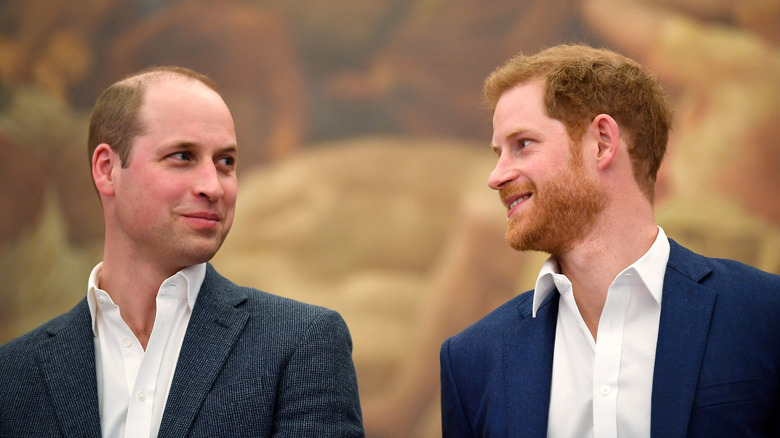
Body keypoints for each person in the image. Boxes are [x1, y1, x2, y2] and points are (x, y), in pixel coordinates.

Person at [0, 66, 364, 437]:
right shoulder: (14, 374)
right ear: (107, 169)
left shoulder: (302, 344)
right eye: (182, 157)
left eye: (226, 162)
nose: (214, 186)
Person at [440, 44, 780, 437]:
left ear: (602, 142)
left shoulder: (764, 315)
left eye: (523, 144)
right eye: (499, 152)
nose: (496, 176)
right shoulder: (473, 359)